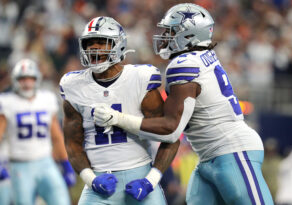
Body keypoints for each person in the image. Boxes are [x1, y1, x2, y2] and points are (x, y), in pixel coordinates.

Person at [93, 3, 274, 205]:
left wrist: (119, 119)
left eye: (170, 31)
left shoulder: (184, 64)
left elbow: (171, 129)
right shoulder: (200, 57)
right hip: (208, 156)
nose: (164, 37)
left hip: (232, 149)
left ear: (189, 36)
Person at [59, 16, 180, 204]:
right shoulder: (73, 86)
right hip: (99, 183)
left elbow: (171, 135)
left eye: (101, 42)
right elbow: (73, 144)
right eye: (90, 43)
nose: (94, 48)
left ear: (119, 45)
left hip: (140, 175)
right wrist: (91, 179)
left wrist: (150, 181)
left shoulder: (140, 78)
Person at [0, 58, 76, 205]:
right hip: (19, 165)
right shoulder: (7, 102)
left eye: (30, 78)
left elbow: (56, 136)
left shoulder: (46, 99)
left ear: (37, 79)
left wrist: (66, 163)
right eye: (22, 79)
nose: (27, 83)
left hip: (45, 162)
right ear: (15, 80)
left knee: (61, 200)